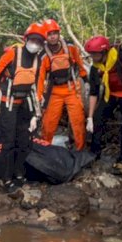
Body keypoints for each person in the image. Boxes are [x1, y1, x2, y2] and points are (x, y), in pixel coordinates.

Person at [0, 23, 47, 192]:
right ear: (26, 39)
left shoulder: (38, 59)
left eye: (39, 41)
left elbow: (38, 85)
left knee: (24, 140)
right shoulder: (13, 54)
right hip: (8, 102)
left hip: (25, 104)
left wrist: (36, 114)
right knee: (8, 141)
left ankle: (19, 173)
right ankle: (6, 178)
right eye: (33, 39)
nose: (35, 43)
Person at [84, 35, 122, 173]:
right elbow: (94, 92)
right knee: (98, 119)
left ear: (103, 52)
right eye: (90, 54)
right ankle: (94, 153)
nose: (92, 57)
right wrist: (90, 117)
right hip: (112, 94)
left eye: (94, 54)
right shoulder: (95, 68)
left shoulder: (121, 58)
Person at [37, 19, 88, 150]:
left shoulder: (70, 47)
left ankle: (80, 150)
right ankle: (44, 149)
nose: (53, 36)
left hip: (72, 88)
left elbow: (79, 62)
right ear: (45, 37)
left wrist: (86, 80)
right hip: (54, 92)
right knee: (48, 123)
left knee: (78, 121)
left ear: (59, 34)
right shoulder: (43, 55)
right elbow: (40, 78)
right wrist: (39, 98)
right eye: (49, 34)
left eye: (55, 33)